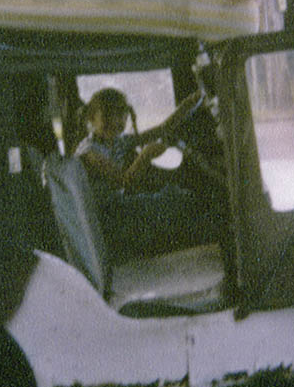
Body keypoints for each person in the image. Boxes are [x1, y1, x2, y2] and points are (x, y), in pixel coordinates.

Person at [73, 87, 221, 262]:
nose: (115, 121)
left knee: (178, 197)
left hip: (116, 209)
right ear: (91, 118)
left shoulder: (117, 142)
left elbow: (162, 129)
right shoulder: (89, 151)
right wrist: (146, 155)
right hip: (106, 216)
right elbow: (123, 181)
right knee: (173, 200)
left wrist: (192, 101)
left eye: (120, 115)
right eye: (107, 116)